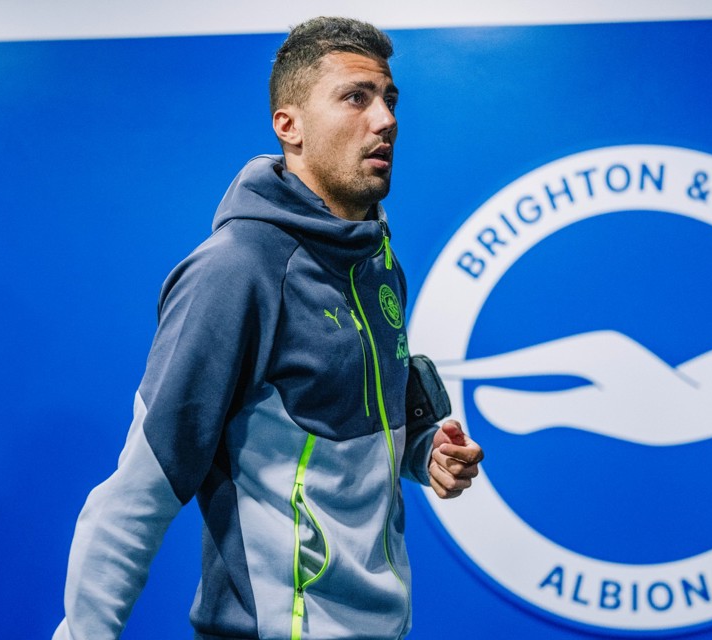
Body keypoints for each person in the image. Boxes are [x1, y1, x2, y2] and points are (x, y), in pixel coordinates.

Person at [53, 16, 484, 640]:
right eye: (355, 98)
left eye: (389, 99)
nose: (385, 120)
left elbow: (362, 429)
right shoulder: (236, 272)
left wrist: (426, 453)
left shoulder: (378, 261)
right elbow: (136, 496)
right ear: (290, 126)